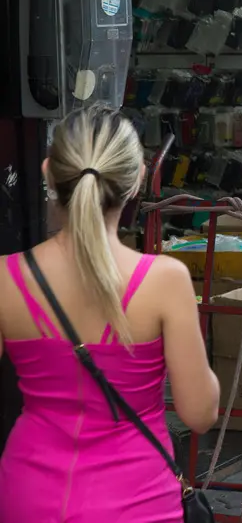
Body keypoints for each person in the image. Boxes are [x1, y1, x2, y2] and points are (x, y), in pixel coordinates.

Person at [0, 106, 220, 522]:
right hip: (137, 499)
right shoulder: (165, 281)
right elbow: (199, 414)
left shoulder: (5, 280)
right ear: (137, 178)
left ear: (49, 174)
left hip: (28, 495)